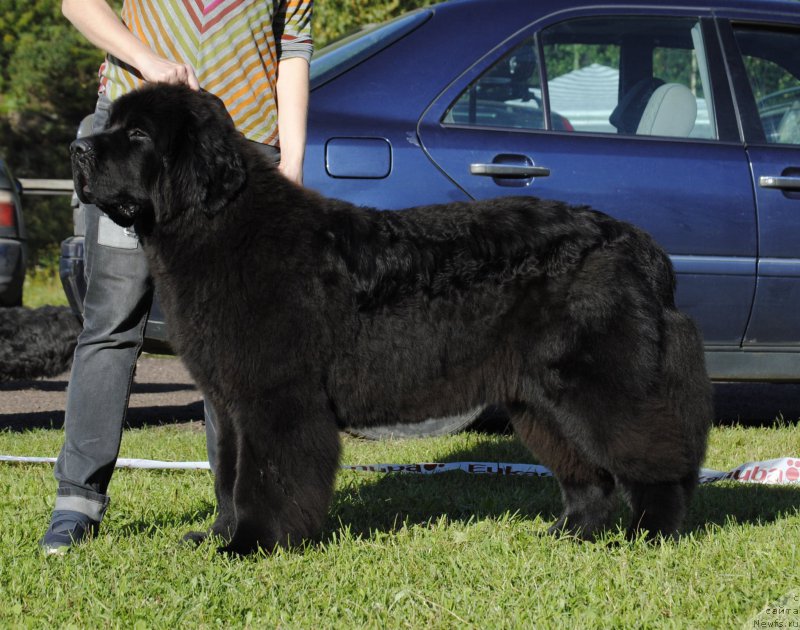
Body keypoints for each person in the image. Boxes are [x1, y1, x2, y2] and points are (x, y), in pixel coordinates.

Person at [40, 0, 313, 555]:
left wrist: (294, 158)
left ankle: (238, 511)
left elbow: (295, 50)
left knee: (234, 335)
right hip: (130, 147)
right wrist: (145, 58)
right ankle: (77, 502)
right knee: (112, 321)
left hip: (235, 149)